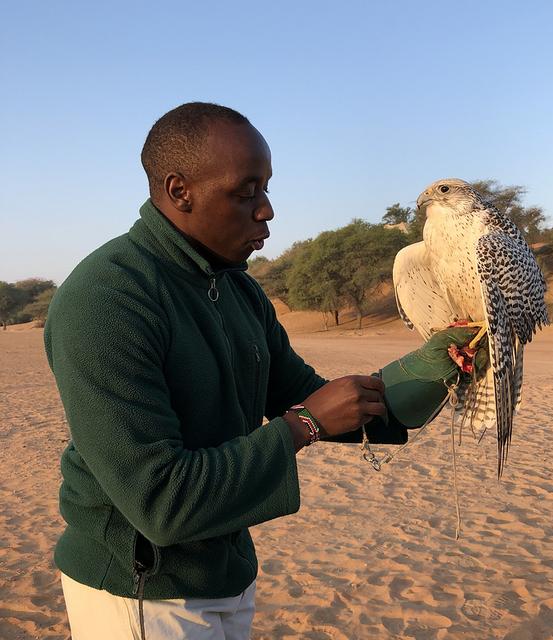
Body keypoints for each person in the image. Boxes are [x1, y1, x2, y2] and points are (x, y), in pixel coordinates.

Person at [44, 102, 480, 639]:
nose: (267, 210)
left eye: (267, 189)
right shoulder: (107, 299)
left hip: (228, 569)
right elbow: (161, 501)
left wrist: (437, 365)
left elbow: (305, 392)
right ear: (179, 191)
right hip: (140, 587)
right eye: (246, 192)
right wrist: (304, 426)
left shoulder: (238, 289)